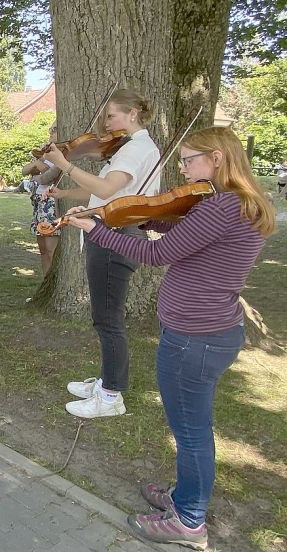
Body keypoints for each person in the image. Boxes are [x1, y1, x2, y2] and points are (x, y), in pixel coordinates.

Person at [63, 126, 274, 550]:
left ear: (217, 158)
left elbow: (157, 254)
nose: (184, 167)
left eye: (190, 158)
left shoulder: (222, 207)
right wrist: (145, 213)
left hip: (195, 337)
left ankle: (189, 520)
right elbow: (181, 226)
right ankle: (184, 497)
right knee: (190, 426)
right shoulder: (236, 204)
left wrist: (96, 229)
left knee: (192, 430)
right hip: (209, 330)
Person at [43, 89, 162, 418]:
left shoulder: (136, 149)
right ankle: (108, 381)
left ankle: (111, 396)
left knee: (108, 319)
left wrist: (65, 164)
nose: (106, 125)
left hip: (115, 236)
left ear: (134, 113)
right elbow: (104, 189)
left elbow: (108, 189)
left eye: (111, 116)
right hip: (110, 230)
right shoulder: (130, 149)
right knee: (106, 317)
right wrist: (67, 191)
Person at [23, 123, 62, 275]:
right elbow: (24, 170)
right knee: (43, 249)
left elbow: (46, 175)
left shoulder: (60, 153)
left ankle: (53, 281)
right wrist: (41, 158)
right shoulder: (47, 153)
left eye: (54, 129)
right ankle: (45, 283)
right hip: (38, 201)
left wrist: (37, 169)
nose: (51, 133)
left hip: (50, 203)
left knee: (51, 248)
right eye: (50, 130)